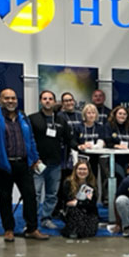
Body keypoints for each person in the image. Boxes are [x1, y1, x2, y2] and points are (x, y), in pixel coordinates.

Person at [0, 88, 49, 241]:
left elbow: (30, 139)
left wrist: (35, 158)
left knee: (30, 196)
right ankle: (8, 229)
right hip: (4, 165)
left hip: (24, 164)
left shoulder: (23, 116)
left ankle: (32, 229)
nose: (11, 101)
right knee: (5, 198)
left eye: (13, 98)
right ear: (1, 100)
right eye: (7, 98)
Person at [29, 90, 77, 229]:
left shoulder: (61, 120)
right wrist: (33, 159)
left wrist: (79, 145)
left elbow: (69, 139)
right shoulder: (32, 118)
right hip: (37, 163)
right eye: (45, 98)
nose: (48, 101)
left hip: (55, 164)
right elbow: (27, 140)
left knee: (51, 194)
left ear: (55, 101)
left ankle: (46, 218)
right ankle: (32, 221)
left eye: (50, 98)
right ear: (40, 101)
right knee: (35, 194)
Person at [61, 160, 99, 239]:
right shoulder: (68, 183)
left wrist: (78, 203)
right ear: (75, 170)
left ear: (88, 171)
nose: (82, 171)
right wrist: (84, 202)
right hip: (72, 212)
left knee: (89, 232)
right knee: (76, 213)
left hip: (89, 212)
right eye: (80, 169)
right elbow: (68, 202)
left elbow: (92, 204)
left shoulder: (91, 184)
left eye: (84, 169)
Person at [74, 104, 106, 183]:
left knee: (93, 180)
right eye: (89, 113)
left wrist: (92, 146)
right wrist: (81, 145)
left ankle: (92, 195)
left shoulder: (100, 127)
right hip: (81, 158)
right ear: (84, 114)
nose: (91, 115)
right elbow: (74, 141)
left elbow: (101, 142)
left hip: (95, 158)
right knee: (80, 181)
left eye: (93, 113)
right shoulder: (78, 127)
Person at [105, 105, 129, 180]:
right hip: (115, 159)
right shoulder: (109, 125)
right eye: (120, 113)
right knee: (119, 178)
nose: (122, 116)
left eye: (124, 114)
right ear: (115, 115)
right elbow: (107, 142)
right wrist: (116, 146)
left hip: (128, 158)